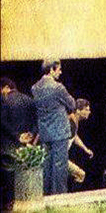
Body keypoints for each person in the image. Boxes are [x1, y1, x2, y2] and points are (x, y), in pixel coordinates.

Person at [31, 59, 76, 196]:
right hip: (60, 131)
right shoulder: (58, 87)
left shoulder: (35, 88)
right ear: (51, 70)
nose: (60, 72)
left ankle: (46, 195)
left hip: (45, 132)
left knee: (47, 165)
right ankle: (59, 196)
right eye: (59, 69)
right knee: (60, 165)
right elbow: (72, 104)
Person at [1, 78, 36, 211]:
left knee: (8, 176)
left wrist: (17, 136)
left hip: (8, 145)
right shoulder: (29, 100)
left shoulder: (4, 101)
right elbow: (36, 120)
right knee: (23, 173)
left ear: (6, 87)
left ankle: (9, 204)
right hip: (25, 145)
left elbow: (3, 122)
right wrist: (30, 135)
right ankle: (24, 203)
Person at [66, 99, 93, 185]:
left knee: (80, 175)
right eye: (86, 110)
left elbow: (74, 137)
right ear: (78, 110)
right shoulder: (69, 122)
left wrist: (85, 149)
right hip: (59, 157)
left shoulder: (74, 122)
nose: (89, 112)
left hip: (61, 157)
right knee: (80, 174)